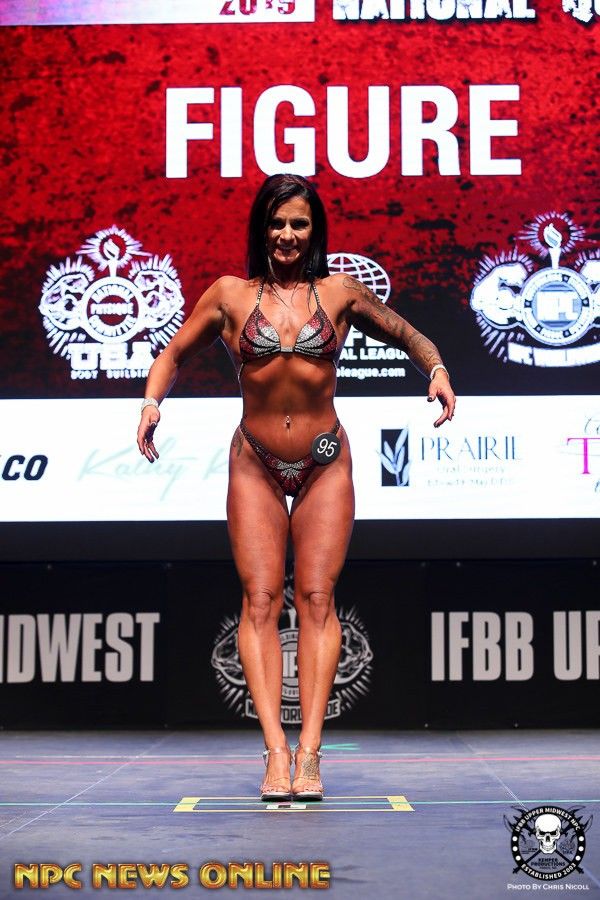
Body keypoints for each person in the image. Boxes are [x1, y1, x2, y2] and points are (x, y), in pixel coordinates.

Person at [136, 174, 456, 802]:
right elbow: (171, 355)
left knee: (316, 597)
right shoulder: (229, 295)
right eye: (277, 222)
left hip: (324, 460)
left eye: (299, 224)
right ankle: (275, 754)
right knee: (259, 601)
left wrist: (438, 369)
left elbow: (408, 335)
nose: (287, 234)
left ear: (315, 231)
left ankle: (310, 753)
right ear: (262, 227)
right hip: (254, 460)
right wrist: (152, 402)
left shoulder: (339, 292)